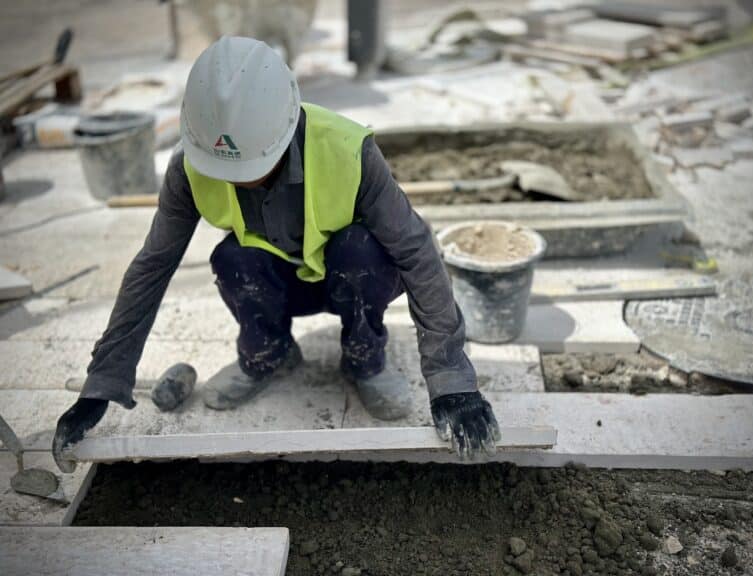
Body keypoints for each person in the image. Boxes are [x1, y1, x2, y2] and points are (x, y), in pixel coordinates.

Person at [52, 37, 500, 471]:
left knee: (364, 250)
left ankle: (365, 361)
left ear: (284, 126)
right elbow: (152, 266)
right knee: (234, 259)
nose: (240, 180)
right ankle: (269, 355)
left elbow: (418, 252)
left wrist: (452, 383)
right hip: (276, 284)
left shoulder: (348, 150)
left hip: (350, 279)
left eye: (250, 165)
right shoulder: (191, 164)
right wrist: (102, 382)